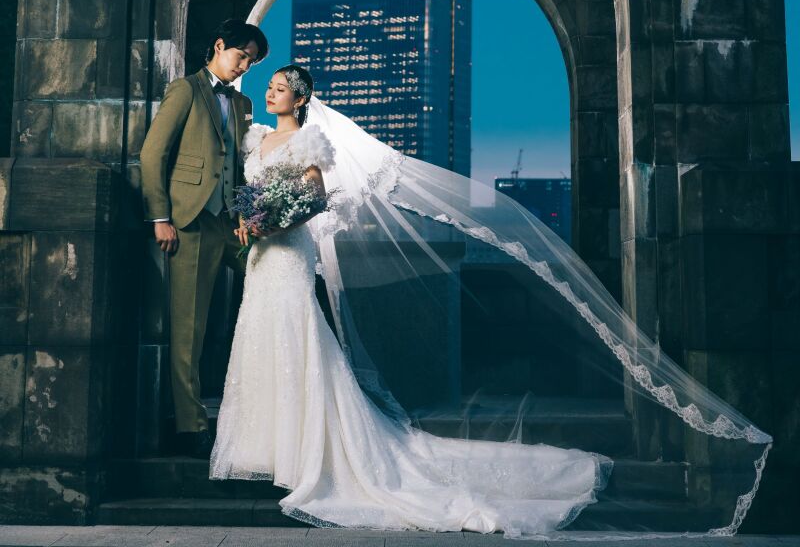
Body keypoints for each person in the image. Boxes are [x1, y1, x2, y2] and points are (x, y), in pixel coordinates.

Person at [210, 64, 771, 537]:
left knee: (297, 339)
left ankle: (306, 451)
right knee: (260, 339)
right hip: (260, 256)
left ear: (302, 98)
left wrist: (269, 221)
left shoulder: (311, 141)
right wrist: (247, 220)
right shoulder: (256, 138)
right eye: (273, 84)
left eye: (282, 85)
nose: (272, 90)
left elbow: (312, 198)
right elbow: (246, 189)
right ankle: (264, 448)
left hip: (286, 252)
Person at [139, 18, 269, 457]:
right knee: (188, 327)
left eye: (251, 62)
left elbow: (243, 165)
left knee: (276, 286)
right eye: (241, 57)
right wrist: (160, 217)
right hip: (189, 223)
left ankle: (269, 412)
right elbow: (153, 154)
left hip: (233, 224)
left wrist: (251, 217)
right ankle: (190, 425)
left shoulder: (244, 103)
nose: (244, 67)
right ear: (218, 45)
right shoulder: (185, 91)